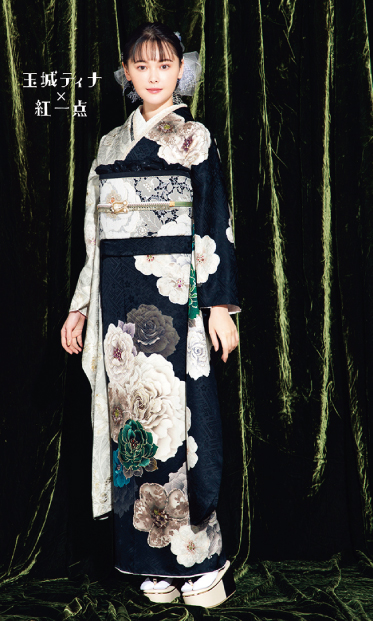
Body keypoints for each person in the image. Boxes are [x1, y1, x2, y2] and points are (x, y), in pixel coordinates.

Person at [61, 22, 240, 608]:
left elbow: (213, 221)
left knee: (185, 424)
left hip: (176, 297)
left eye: (165, 64)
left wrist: (219, 306)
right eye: (142, 66)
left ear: (182, 71)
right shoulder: (110, 145)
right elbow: (94, 238)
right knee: (133, 429)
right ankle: (150, 563)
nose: (154, 75)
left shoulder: (194, 138)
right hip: (119, 306)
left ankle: (200, 563)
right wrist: (82, 306)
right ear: (127, 73)